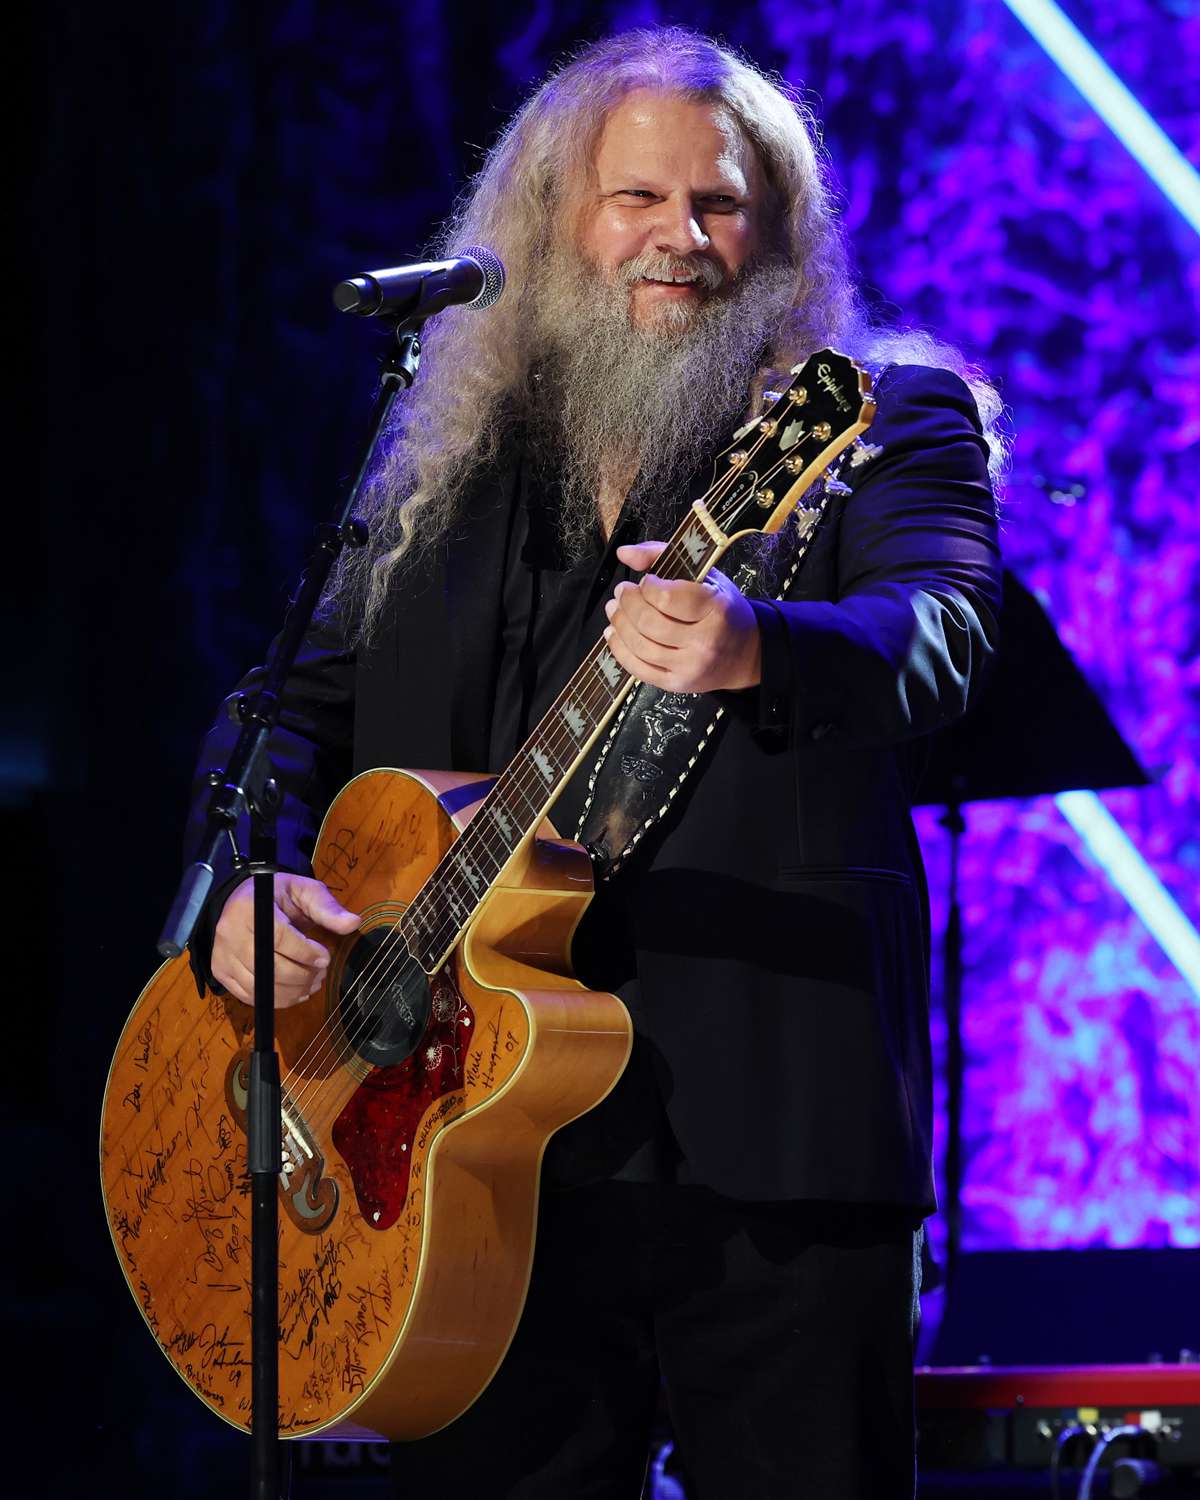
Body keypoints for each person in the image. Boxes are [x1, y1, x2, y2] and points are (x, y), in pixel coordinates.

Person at [187, 26, 1003, 1500]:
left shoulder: (879, 413)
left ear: (778, 231)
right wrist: (235, 892)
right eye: (637, 199)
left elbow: (942, 632)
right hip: (457, 1153)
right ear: (554, 212)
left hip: (768, 1137)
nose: (679, 239)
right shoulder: (447, 451)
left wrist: (762, 644)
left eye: (720, 204)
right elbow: (279, 709)